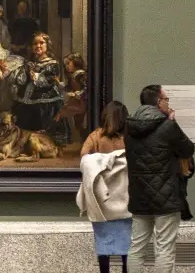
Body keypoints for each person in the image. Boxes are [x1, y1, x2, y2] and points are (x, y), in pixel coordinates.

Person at [125, 85, 195, 273]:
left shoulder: (129, 127)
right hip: (166, 196)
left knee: (137, 246)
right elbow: (188, 149)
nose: (168, 102)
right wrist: (173, 121)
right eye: (166, 99)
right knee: (164, 248)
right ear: (158, 102)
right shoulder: (167, 126)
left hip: (139, 194)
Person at [77, 101, 131, 273]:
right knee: (127, 241)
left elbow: (84, 157)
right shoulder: (129, 137)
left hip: (102, 199)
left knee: (103, 240)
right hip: (124, 196)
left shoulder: (95, 136)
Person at [9, 32, 65, 140]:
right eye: (35, 43)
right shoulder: (29, 62)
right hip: (26, 99)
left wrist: (37, 77)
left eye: (41, 43)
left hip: (44, 100)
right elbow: (21, 79)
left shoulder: (52, 64)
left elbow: (50, 81)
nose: (38, 46)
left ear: (47, 45)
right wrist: (21, 76)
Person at [56, 53, 88, 143]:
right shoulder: (73, 76)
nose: (66, 66)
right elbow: (68, 88)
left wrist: (77, 94)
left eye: (68, 63)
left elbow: (87, 88)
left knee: (62, 113)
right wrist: (59, 84)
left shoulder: (81, 74)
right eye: (65, 64)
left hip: (82, 101)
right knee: (78, 123)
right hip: (76, 101)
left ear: (76, 62)